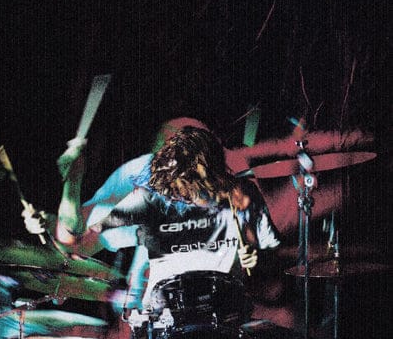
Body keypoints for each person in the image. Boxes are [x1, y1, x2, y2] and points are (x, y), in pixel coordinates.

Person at [27, 126, 281, 326]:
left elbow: (274, 263)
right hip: (161, 326)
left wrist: (255, 258)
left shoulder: (241, 197)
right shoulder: (148, 200)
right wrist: (72, 184)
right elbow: (77, 244)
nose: (184, 197)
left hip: (225, 321)